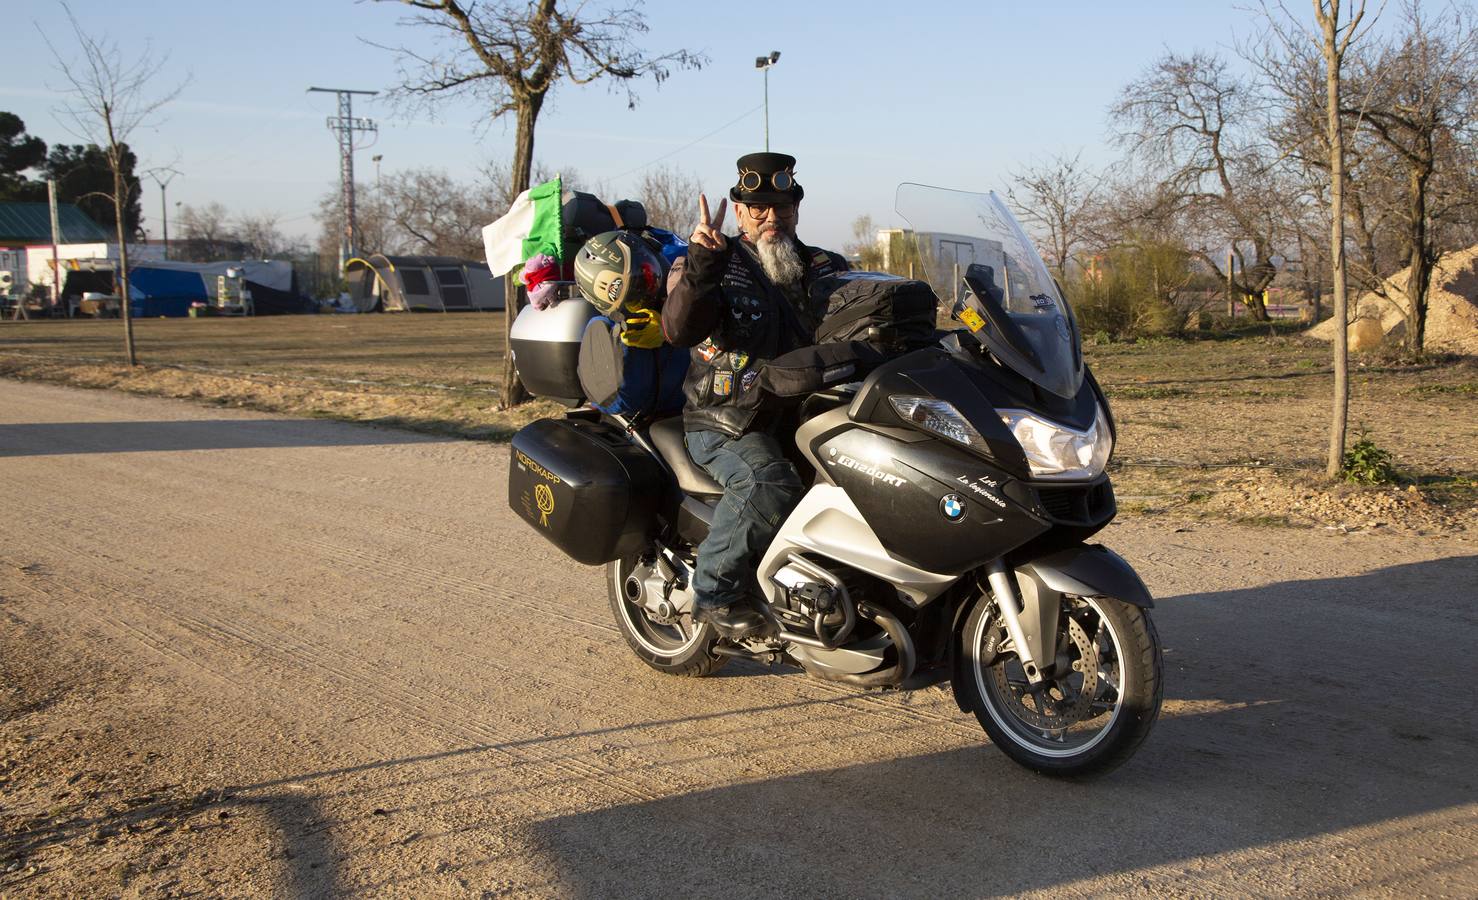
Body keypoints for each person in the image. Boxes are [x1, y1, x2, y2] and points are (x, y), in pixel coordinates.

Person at [661, 152, 848, 638]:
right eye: (759, 209)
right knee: (769, 483)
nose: (772, 218)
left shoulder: (825, 266)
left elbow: (870, 313)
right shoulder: (711, 262)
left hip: (805, 411)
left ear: (796, 210)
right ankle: (714, 593)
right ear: (740, 212)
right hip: (726, 419)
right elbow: (679, 328)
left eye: (782, 208)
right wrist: (703, 262)